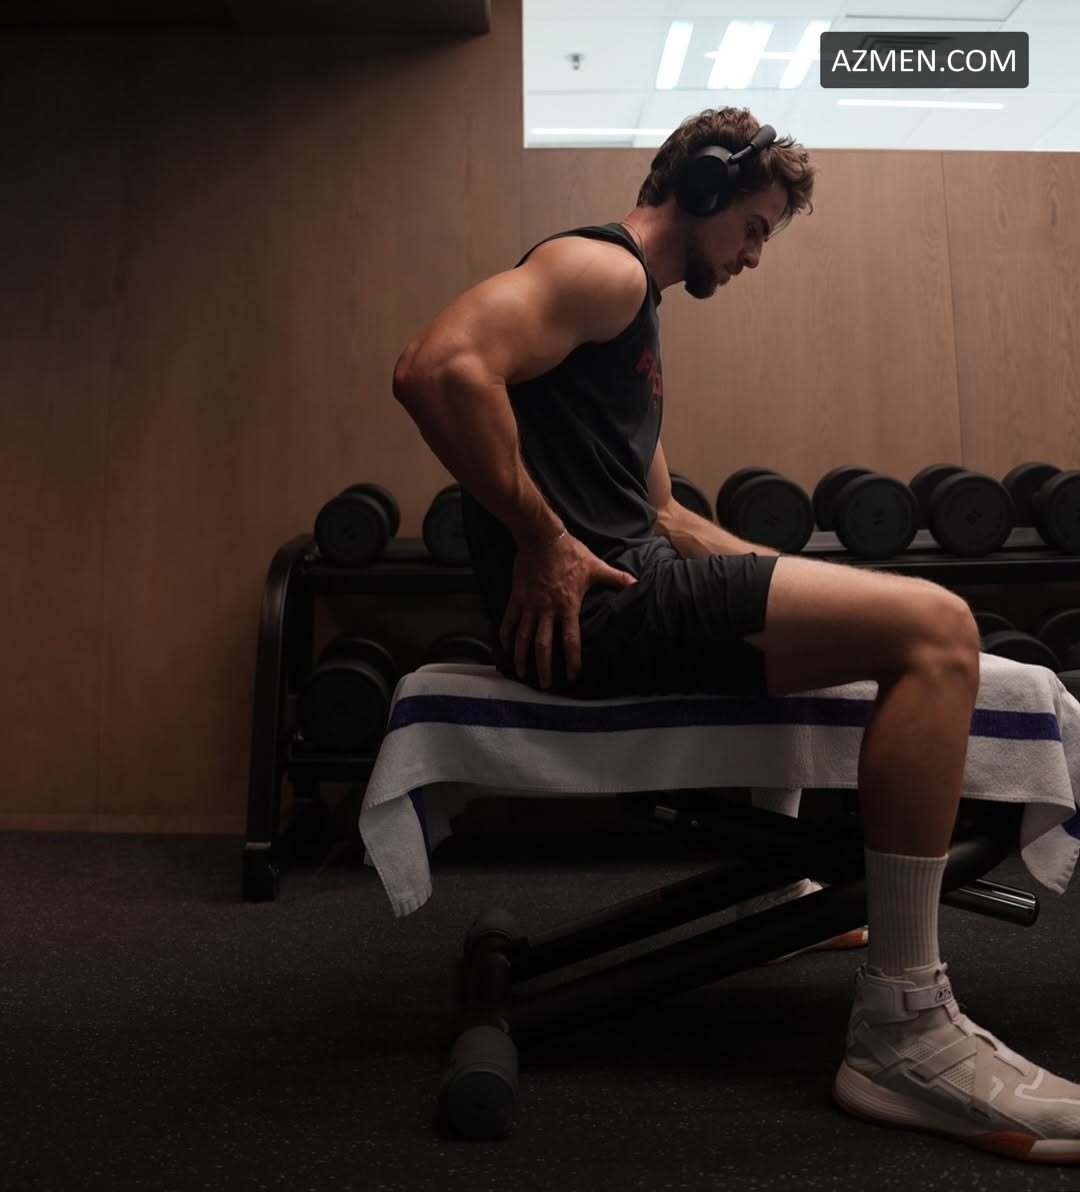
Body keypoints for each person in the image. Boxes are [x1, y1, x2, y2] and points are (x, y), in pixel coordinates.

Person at [391, 107, 1080, 1163]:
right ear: (704, 188)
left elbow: (670, 517)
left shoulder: (632, 319)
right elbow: (435, 366)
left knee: (910, 620)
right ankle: (905, 1028)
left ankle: (797, 881)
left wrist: (832, 594)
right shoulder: (602, 268)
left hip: (639, 586)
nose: (756, 255)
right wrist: (543, 539)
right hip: (606, 615)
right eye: (754, 227)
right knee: (939, 629)